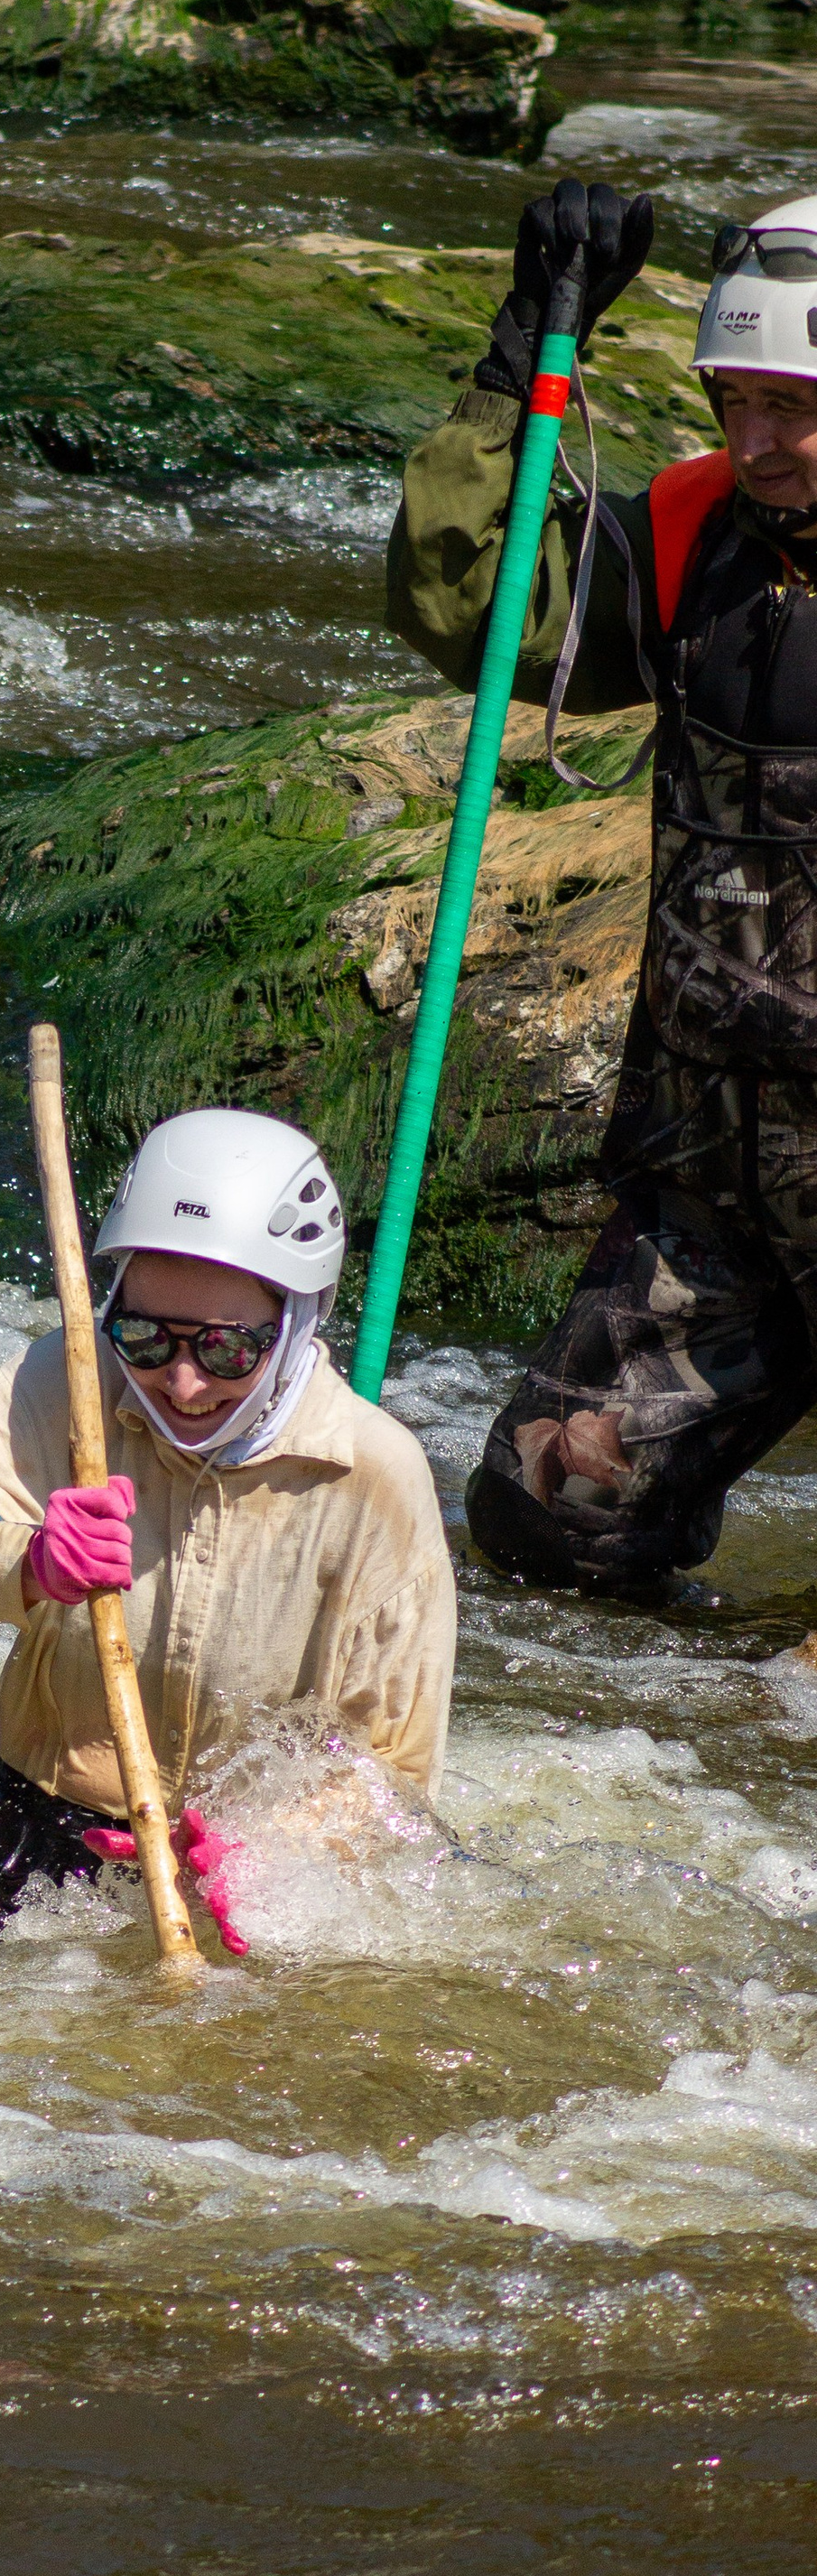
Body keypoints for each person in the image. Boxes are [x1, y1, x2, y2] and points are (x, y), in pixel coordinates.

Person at [389, 173, 817, 1593]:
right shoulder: (700, 535)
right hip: (712, 1179)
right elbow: (474, 605)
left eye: (791, 410)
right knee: (550, 1515)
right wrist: (528, 346)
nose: (754, 442)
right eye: (730, 400)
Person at [0, 1110, 455, 1942]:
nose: (183, 1385)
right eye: (147, 1335)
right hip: (31, 1831)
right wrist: (23, 1565)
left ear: (297, 1324)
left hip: (247, 1876)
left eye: (227, 1350)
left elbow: (396, 1784)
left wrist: (264, 1851)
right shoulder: (63, 1382)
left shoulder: (376, 1476)